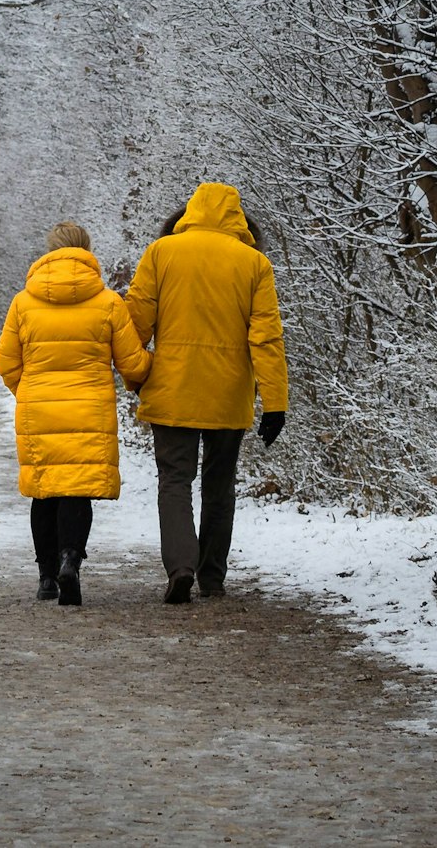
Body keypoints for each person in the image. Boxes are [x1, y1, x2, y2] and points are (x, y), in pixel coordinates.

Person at [126, 182, 288, 605]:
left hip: (173, 388)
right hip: (228, 394)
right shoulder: (254, 263)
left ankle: (180, 565)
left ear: (189, 214)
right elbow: (267, 339)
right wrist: (275, 403)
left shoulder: (161, 253)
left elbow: (135, 325)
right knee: (220, 484)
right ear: (237, 219)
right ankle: (212, 576)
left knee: (174, 481)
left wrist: (136, 375)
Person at [0, 221, 151, 606]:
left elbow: (4, 361)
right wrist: (147, 373)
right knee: (77, 489)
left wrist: (27, 391)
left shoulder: (23, 302)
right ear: (86, 251)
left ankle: (47, 578)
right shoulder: (109, 302)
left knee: (44, 491)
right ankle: (70, 560)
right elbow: (133, 365)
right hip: (89, 410)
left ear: (49, 251)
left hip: (39, 408)